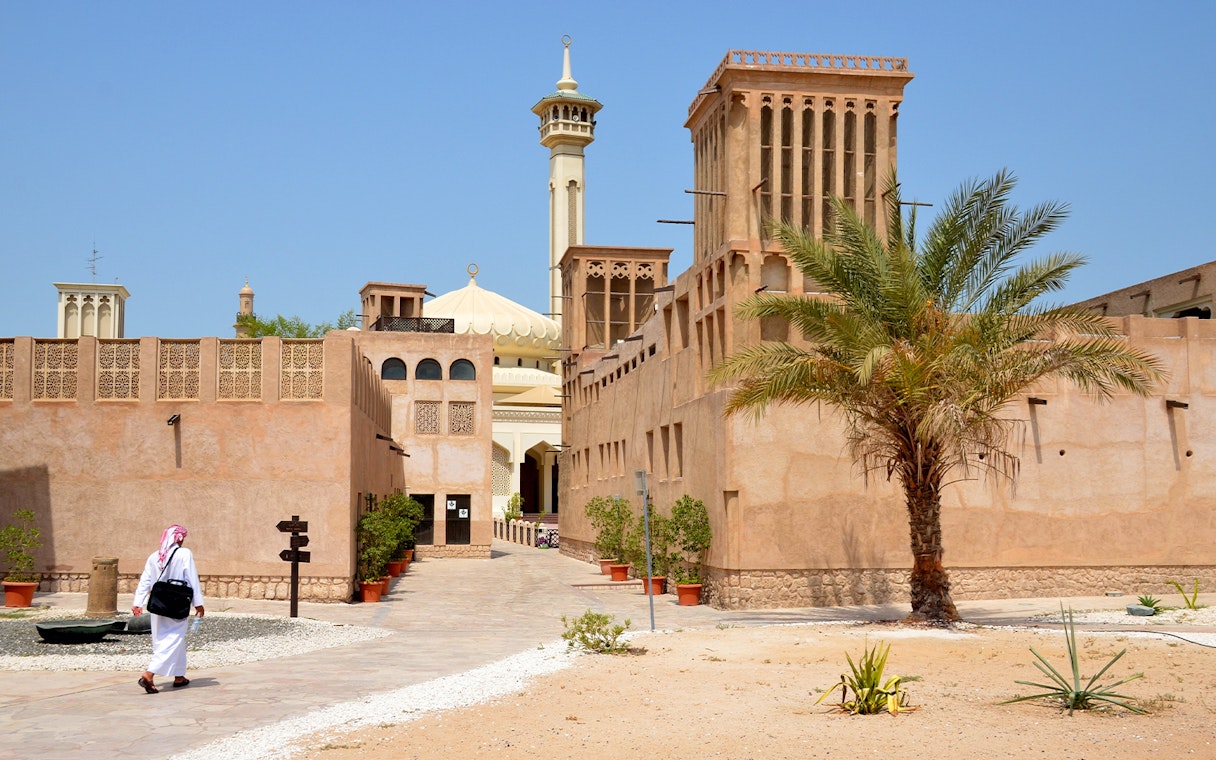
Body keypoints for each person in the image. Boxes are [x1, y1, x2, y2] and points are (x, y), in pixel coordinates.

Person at [132, 524, 205, 693]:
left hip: (157, 604)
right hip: (177, 603)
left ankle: (179, 676)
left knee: (167, 639)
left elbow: (145, 580)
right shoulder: (184, 554)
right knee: (174, 637)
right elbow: (191, 577)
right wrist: (198, 603)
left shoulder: (154, 557)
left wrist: (138, 602)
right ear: (179, 538)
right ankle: (149, 674)